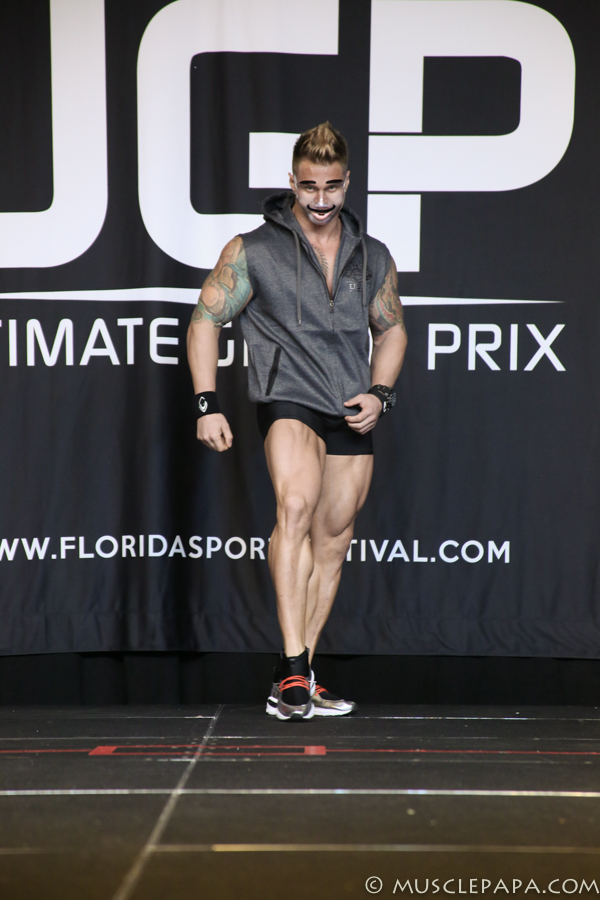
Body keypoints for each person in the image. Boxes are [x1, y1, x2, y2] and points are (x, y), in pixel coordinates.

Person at [187, 122, 407, 721]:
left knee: (333, 539)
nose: (319, 198)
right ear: (291, 182)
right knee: (295, 507)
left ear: (347, 183)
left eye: (331, 186)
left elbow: (391, 330)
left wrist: (381, 394)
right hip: (287, 397)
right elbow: (205, 320)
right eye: (309, 186)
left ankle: (302, 675)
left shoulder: (372, 254)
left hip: (350, 407)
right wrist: (207, 402)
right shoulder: (253, 249)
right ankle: (290, 666)